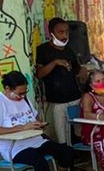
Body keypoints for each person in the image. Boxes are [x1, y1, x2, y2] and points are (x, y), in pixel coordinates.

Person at [0, 72, 81, 171]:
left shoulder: (24, 99)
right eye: (19, 93)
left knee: (67, 152)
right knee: (39, 161)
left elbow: (33, 119)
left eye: (25, 92)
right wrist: (22, 128)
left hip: (35, 140)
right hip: (15, 147)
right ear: (7, 89)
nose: (22, 97)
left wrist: (39, 124)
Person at [33, 17, 89, 146]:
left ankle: (81, 157)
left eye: (67, 32)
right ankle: (66, 161)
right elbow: (39, 74)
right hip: (57, 102)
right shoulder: (43, 50)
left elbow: (77, 72)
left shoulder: (69, 50)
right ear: (51, 33)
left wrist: (83, 72)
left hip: (75, 98)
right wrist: (55, 62)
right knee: (61, 137)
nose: (64, 35)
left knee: (80, 132)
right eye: (60, 32)